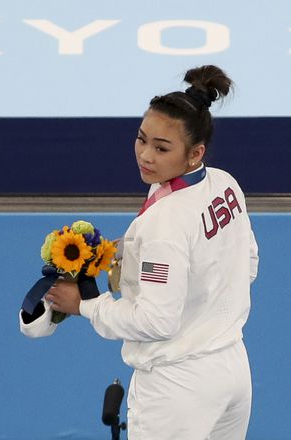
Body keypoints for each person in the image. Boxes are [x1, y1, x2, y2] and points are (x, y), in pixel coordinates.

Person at [44, 65, 259, 439]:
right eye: (142, 139)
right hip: (233, 371)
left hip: (178, 389)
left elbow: (156, 322)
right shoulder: (224, 183)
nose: (145, 155)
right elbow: (248, 263)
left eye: (161, 148)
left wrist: (84, 305)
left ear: (195, 153)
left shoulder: (165, 222)